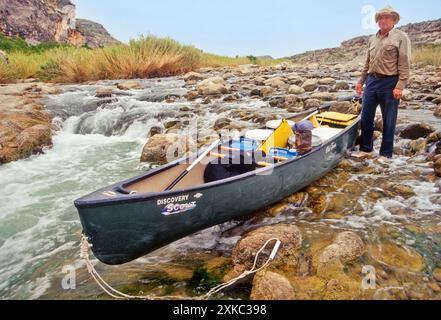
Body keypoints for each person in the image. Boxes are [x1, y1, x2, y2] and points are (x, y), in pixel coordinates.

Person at [354, 6, 411, 160]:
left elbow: (404, 63)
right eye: (381, 18)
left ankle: (385, 154)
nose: (383, 20)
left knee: (389, 120)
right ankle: (366, 150)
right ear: (377, 21)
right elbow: (367, 63)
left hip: (390, 82)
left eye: (387, 17)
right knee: (366, 117)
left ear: (393, 20)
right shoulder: (373, 39)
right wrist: (361, 81)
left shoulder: (401, 37)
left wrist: (400, 86)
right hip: (371, 81)